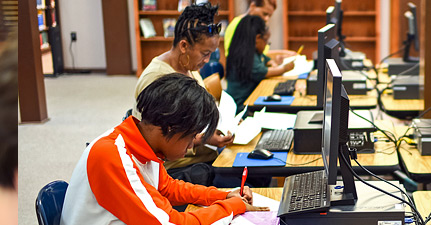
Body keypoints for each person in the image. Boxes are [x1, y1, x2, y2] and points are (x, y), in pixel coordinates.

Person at [62, 74, 268, 225]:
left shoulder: (142, 141)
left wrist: (222, 196)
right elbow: (173, 223)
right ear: (170, 127)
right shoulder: (112, 156)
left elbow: (168, 188)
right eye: (190, 137)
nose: (190, 146)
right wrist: (232, 207)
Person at [132, 3, 233, 183]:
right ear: (184, 45)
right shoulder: (156, 78)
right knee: (244, 182)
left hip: (203, 156)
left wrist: (217, 128)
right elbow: (155, 140)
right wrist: (204, 139)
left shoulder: (189, 66)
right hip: (177, 168)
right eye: (205, 53)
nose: (207, 60)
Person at [226, 15, 294, 114]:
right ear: (257, 38)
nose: (266, 44)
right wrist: (285, 68)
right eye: (266, 41)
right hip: (243, 108)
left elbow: (267, 60)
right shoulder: (246, 56)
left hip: (249, 102)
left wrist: (272, 63)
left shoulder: (248, 51)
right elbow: (263, 72)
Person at [224, 0, 296, 62]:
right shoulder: (236, 25)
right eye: (265, 14)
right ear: (252, 6)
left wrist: (284, 54)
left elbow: (261, 56)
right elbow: (237, 59)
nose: (266, 19)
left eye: (269, 16)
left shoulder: (257, 27)